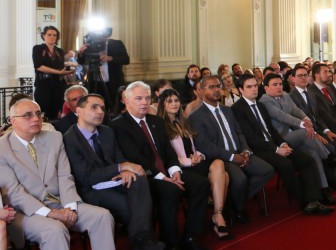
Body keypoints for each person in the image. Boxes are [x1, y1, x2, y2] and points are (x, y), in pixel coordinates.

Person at [0, 99, 116, 250]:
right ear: (13, 121)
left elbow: (65, 176)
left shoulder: (54, 138)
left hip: (61, 202)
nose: (35, 119)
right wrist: (49, 213)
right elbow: (15, 193)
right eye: (28, 115)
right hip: (27, 212)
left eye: (38, 114)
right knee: (55, 230)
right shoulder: (3, 148)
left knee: (102, 216)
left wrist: (70, 207)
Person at [111, 81, 210, 250]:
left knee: (201, 183)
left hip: (167, 171)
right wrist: (163, 177)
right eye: (139, 98)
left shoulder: (156, 120)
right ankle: (170, 243)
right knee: (169, 190)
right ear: (126, 100)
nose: (144, 102)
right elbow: (135, 158)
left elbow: (168, 151)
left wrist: (175, 171)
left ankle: (191, 235)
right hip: (145, 176)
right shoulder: (118, 125)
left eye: (148, 98)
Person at [62, 93, 163, 250]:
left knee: (140, 180)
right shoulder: (69, 139)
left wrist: (124, 168)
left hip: (114, 181)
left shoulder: (107, 132)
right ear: (79, 111)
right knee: (132, 207)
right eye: (94, 107)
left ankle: (141, 242)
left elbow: (118, 157)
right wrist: (120, 167)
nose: (100, 111)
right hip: (92, 189)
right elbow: (86, 176)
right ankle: (142, 240)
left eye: (102, 108)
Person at [231, 73, 333, 214]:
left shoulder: (260, 105)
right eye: (249, 87)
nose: (254, 89)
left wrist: (283, 144)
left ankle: (314, 199)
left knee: (307, 160)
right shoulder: (237, 109)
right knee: (286, 164)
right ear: (241, 90)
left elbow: (271, 130)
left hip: (274, 144)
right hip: (259, 149)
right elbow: (251, 138)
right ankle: (305, 203)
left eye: (255, 86)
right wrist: (276, 149)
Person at [187, 76, 274, 224]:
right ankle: (239, 211)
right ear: (201, 91)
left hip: (240, 152)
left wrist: (246, 151)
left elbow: (239, 132)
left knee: (267, 170)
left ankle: (233, 202)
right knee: (239, 179)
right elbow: (206, 146)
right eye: (211, 87)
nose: (216, 90)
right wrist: (232, 157)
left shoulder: (227, 110)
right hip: (221, 158)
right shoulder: (196, 117)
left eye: (217, 86)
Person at [156, 89, 231, 240]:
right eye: (169, 101)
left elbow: (194, 147)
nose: (174, 104)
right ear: (162, 105)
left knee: (219, 165)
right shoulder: (160, 126)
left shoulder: (182, 122)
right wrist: (190, 161)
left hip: (194, 164)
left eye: (176, 100)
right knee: (224, 175)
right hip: (180, 168)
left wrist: (199, 156)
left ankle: (217, 214)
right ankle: (218, 217)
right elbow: (167, 156)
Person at [77, 31, 130, 106]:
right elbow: (81, 61)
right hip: (95, 83)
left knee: (114, 106)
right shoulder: (90, 44)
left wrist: (110, 58)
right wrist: (81, 53)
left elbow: (126, 60)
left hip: (113, 82)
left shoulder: (116, 44)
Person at [32, 26, 71, 121]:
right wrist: (58, 72)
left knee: (55, 112)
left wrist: (67, 70)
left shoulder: (60, 51)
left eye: (55, 35)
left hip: (58, 85)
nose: (52, 37)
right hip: (43, 85)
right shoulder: (38, 48)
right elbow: (39, 66)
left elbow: (60, 66)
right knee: (43, 112)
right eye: (49, 35)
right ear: (43, 36)